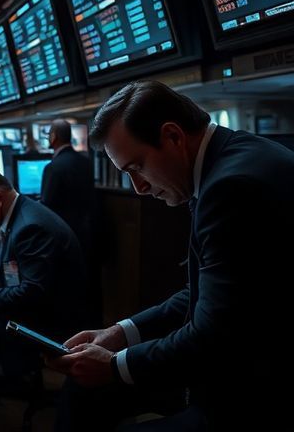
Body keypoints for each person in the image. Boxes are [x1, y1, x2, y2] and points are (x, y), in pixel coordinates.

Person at [48, 80, 292, 431]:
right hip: (235, 365)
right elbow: (203, 295)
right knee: (84, 390)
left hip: (251, 395)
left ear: (173, 136)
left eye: (137, 168)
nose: (139, 188)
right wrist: (120, 332)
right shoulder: (231, 161)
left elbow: (212, 337)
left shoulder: (231, 188)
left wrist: (115, 365)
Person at [0, 169, 86, 338]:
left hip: (46, 323)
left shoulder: (30, 227)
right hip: (27, 311)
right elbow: (0, 253)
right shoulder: (15, 211)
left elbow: (32, 291)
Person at [41, 118, 100, 324]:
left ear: (54, 137)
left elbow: (46, 207)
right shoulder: (85, 161)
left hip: (64, 236)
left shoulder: (53, 167)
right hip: (89, 232)